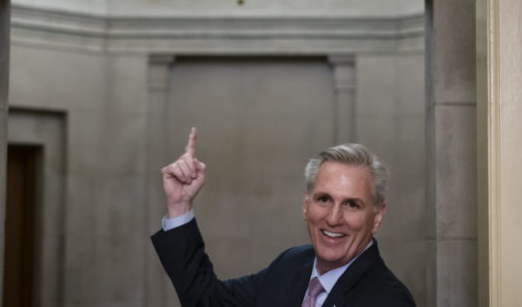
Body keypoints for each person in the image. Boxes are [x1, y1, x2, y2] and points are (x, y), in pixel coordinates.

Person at [151, 128, 416, 307]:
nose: (334, 218)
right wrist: (179, 204)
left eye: (352, 205)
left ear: (377, 217)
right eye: (324, 199)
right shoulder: (291, 265)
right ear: (305, 205)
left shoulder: (389, 300)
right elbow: (206, 300)